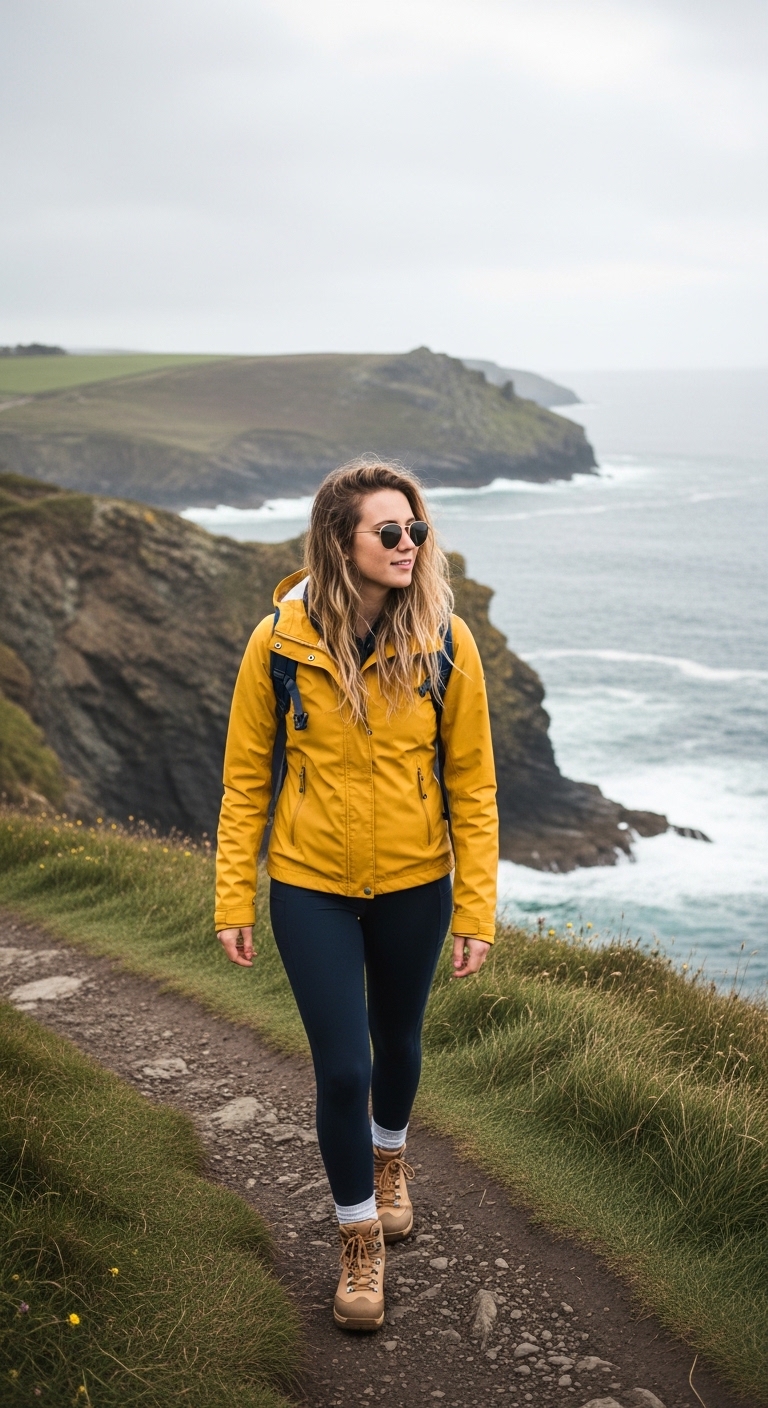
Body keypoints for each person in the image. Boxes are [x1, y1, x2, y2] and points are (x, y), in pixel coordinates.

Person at [215, 459, 498, 1332]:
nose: (408, 544)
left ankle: (390, 1160)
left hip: (417, 882)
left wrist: (476, 908)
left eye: (416, 530)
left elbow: (474, 788)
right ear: (342, 543)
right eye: (389, 531)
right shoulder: (278, 643)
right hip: (311, 887)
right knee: (345, 1067)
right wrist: (234, 896)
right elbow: (245, 781)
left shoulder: (447, 641)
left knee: (399, 1044)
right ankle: (359, 1241)